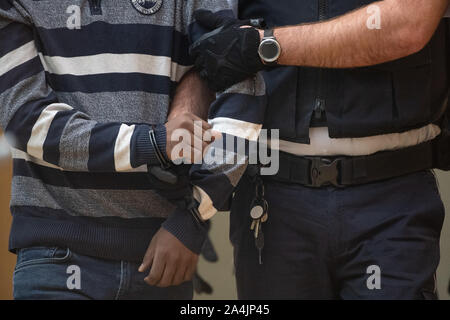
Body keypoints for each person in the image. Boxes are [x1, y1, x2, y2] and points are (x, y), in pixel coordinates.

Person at [185, 0, 450, 299]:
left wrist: (265, 46)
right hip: (271, 195)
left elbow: (407, 24)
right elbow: (206, 43)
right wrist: (190, 203)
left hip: (392, 196)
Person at [0, 0, 234, 300]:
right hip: (55, 256)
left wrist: (192, 219)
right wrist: (149, 143)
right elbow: (25, 121)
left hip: (160, 258)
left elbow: (234, 81)